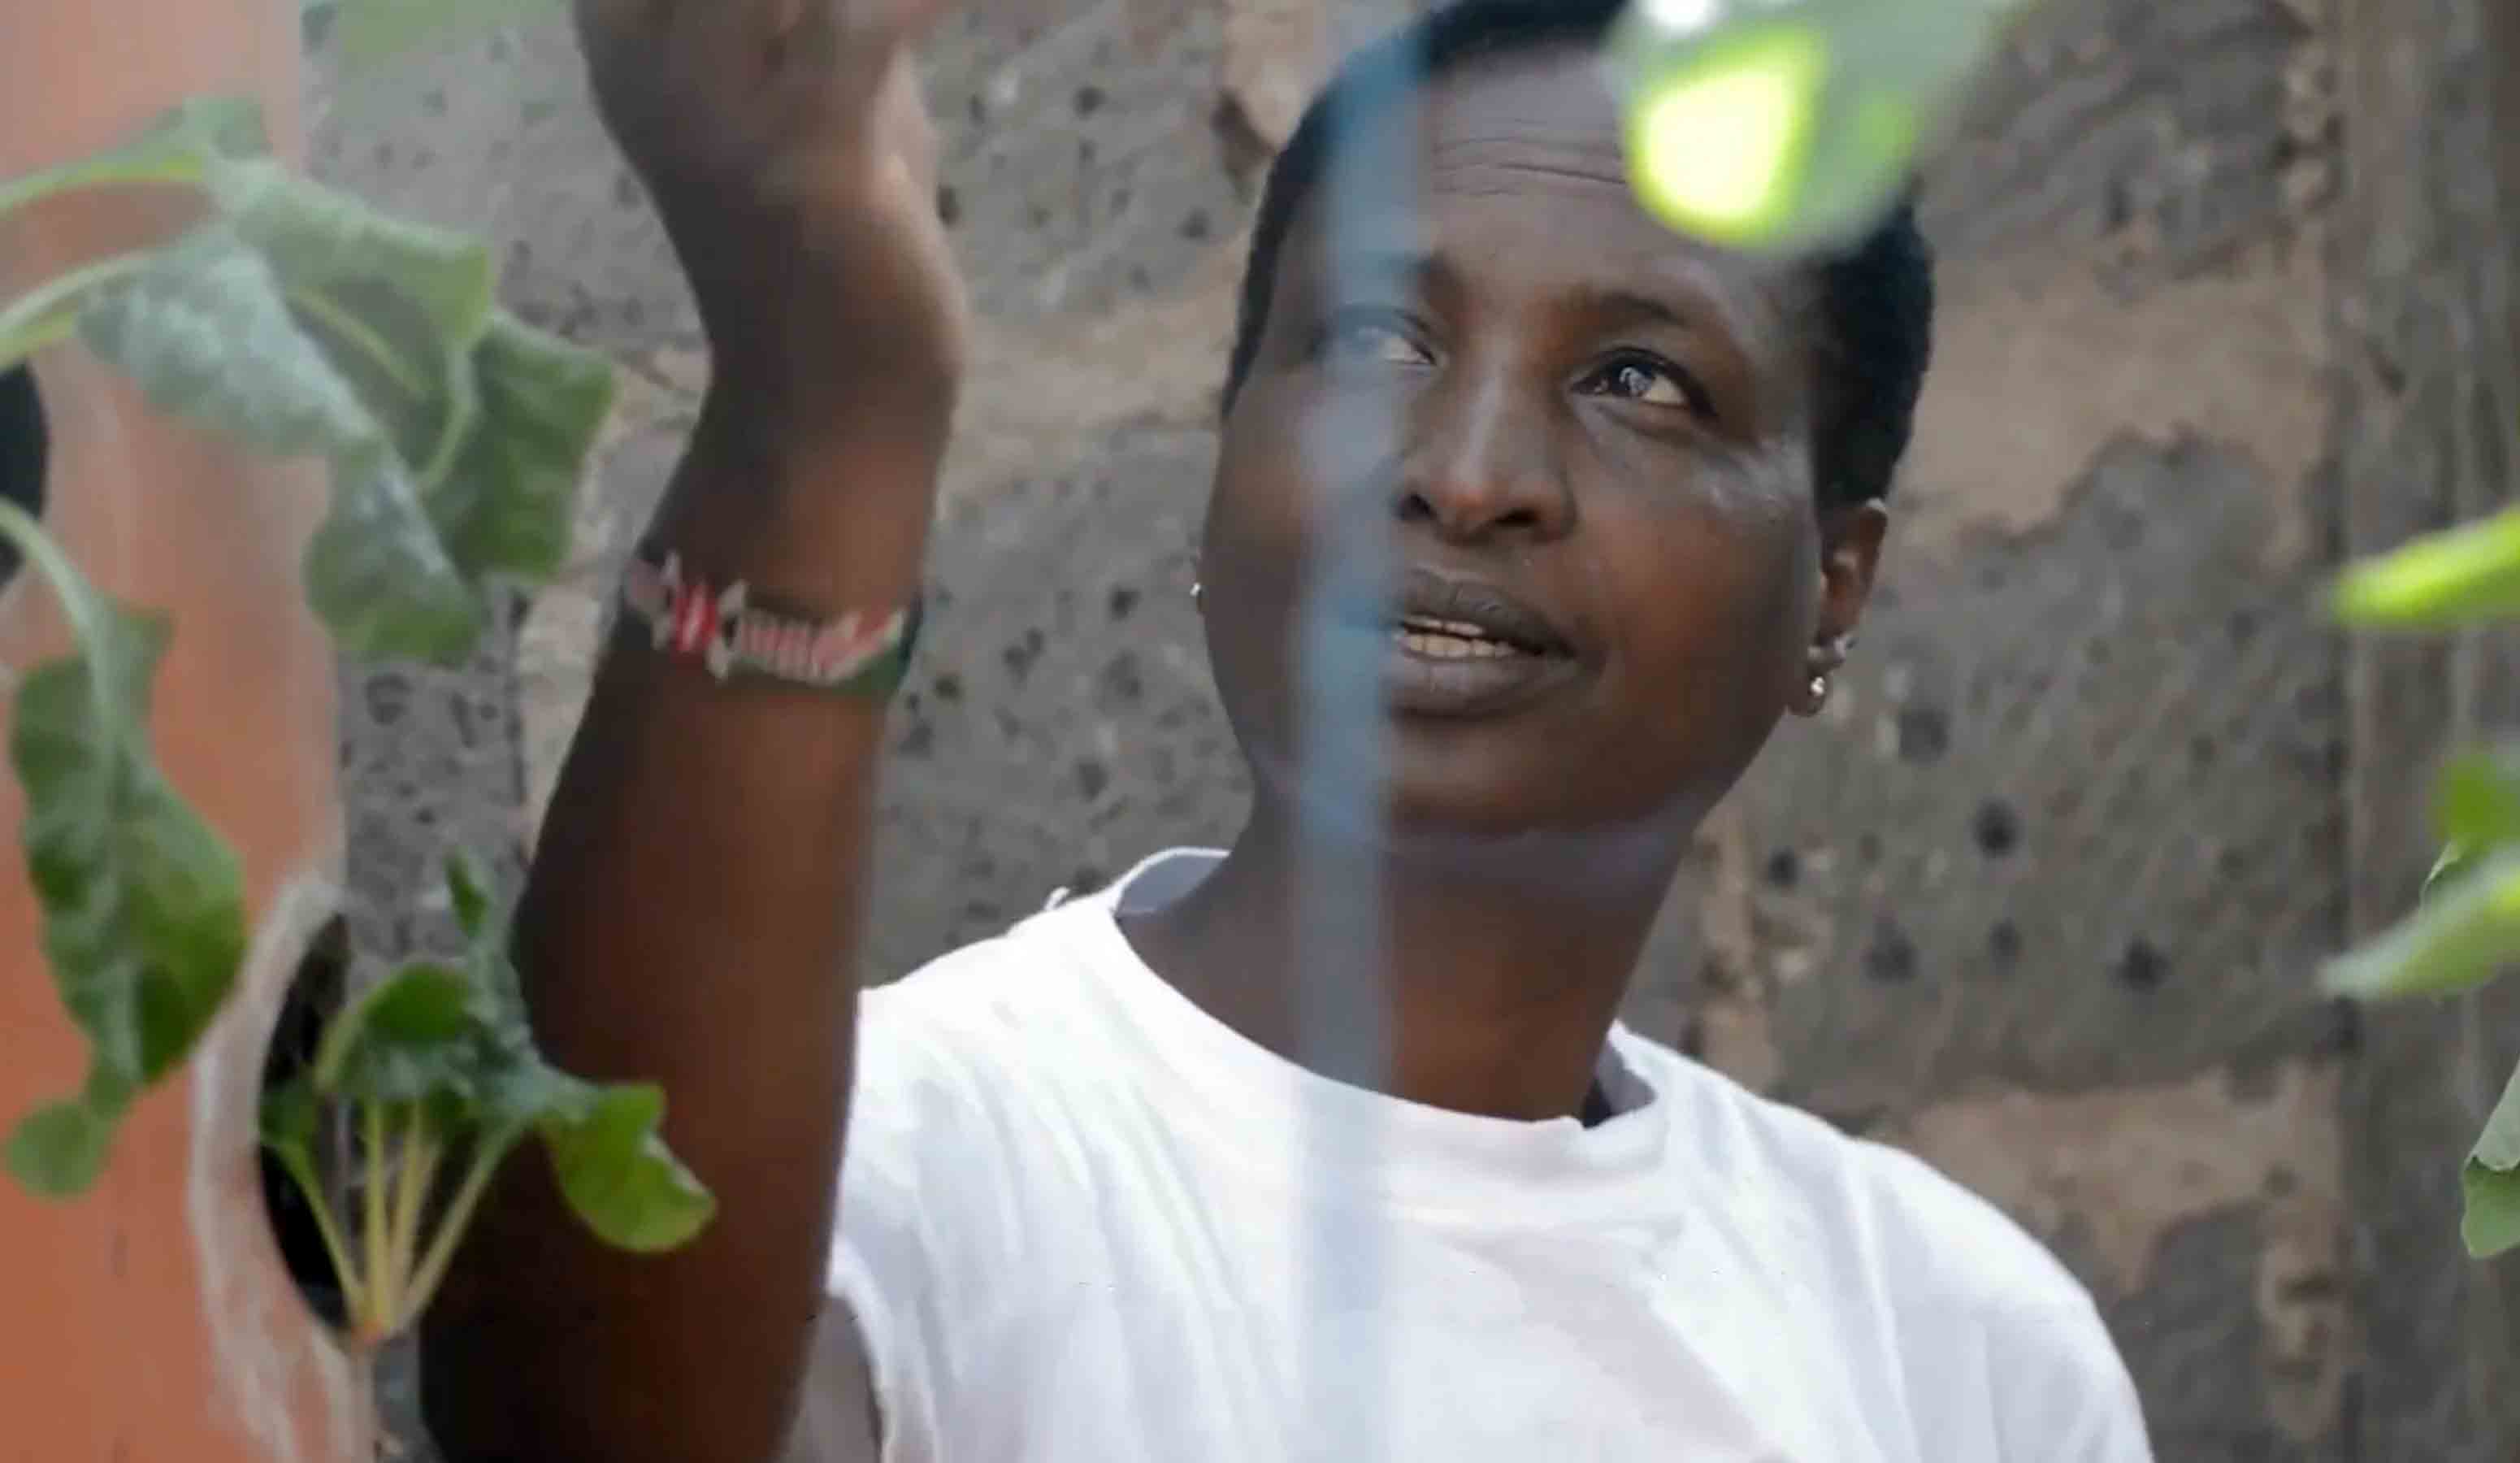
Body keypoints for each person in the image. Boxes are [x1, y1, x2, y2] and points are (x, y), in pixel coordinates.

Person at [422, 0, 2155, 1458]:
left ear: (1832, 586)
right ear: (1224, 449)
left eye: (1641, 381)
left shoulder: (1959, 1357)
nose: (1466, 474)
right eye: (1373, 337)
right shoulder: (893, 1167)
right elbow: (570, 1416)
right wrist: (825, 395)